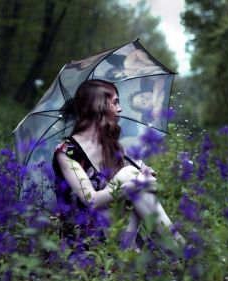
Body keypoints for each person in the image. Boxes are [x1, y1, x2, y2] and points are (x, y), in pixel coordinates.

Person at [52, 79, 184, 251]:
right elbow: (91, 200)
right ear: (97, 106)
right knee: (129, 175)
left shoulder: (110, 146)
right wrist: (133, 184)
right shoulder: (66, 151)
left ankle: (173, 248)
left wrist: (145, 175)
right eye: (114, 103)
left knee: (132, 172)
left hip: (114, 229)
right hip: (83, 239)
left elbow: (149, 187)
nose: (120, 109)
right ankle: (180, 249)